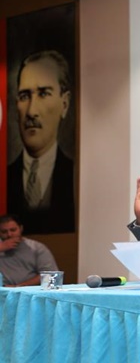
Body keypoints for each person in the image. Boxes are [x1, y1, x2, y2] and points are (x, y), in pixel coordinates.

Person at [7, 50, 75, 234]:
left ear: (64, 104)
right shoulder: (4, 178)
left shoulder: (76, 176)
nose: (31, 111)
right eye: (24, 96)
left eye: (43, 93)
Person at [0, 214, 59, 287]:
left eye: (13, 230)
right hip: (3, 290)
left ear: (21, 229)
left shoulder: (36, 248)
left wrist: (19, 286)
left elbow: (51, 275)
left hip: (30, 290)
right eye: (4, 232)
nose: (9, 234)